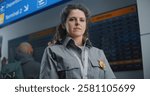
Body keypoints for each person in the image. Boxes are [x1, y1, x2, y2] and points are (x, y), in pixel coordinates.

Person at [40, 4, 116, 79]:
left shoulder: (99, 53)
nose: (77, 23)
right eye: (72, 19)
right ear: (63, 25)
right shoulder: (52, 52)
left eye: (82, 20)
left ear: (86, 25)